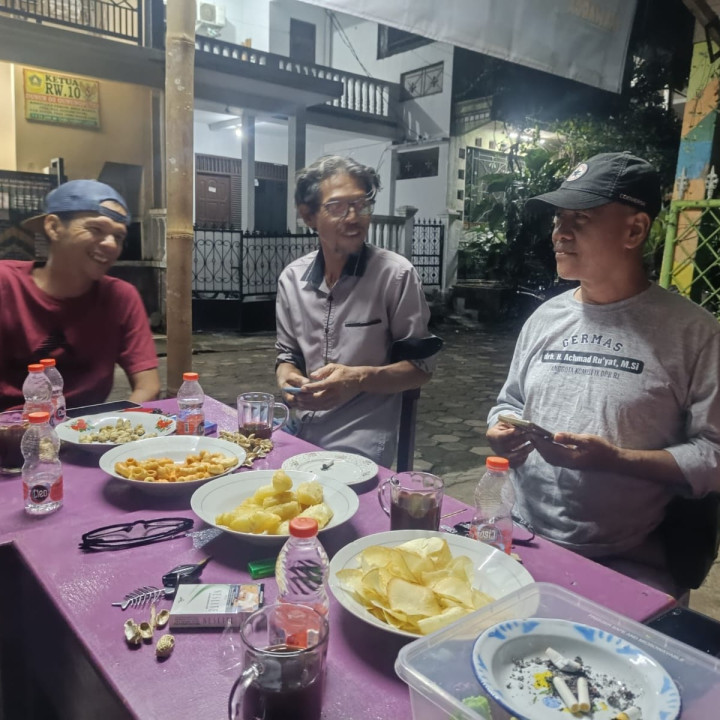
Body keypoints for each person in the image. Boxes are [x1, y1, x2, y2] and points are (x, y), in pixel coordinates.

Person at [486, 151, 720, 595]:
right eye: (558, 219)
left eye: (581, 218)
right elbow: (510, 402)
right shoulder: (545, 318)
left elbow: (714, 454)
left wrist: (616, 460)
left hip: (635, 560)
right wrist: (500, 430)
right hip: (525, 540)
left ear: (635, 230)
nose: (560, 232)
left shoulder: (694, 333)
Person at [275, 155, 442, 466]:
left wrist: (359, 378)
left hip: (360, 441)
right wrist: (289, 380)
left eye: (362, 205)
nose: (354, 217)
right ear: (308, 215)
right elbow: (288, 356)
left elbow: (420, 369)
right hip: (297, 429)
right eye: (338, 207)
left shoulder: (395, 275)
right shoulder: (292, 280)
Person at [0, 179, 160, 411]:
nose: (111, 245)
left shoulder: (121, 297)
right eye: (96, 229)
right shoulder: (6, 285)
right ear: (54, 227)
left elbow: (148, 386)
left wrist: (119, 425)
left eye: (118, 237)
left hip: (85, 429)